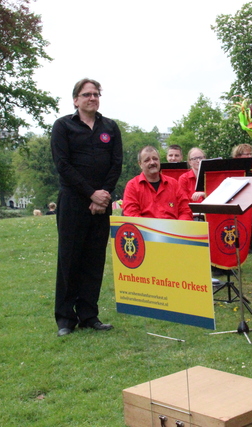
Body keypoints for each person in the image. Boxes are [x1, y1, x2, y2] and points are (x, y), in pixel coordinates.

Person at [51, 78, 123, 337]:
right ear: (76, 99)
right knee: (69, 259)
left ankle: (89, 315)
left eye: (96, 94)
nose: (92, 98)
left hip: (102, 205)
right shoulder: (63, 126)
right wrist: (91, 193)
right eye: (86, 94)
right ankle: (65, 319)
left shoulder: (110, 127)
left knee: (94, 260)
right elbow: (63, 165)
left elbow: (116, 164)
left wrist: (103, 196)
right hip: (73, 202)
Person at [122, 146, 193, 220]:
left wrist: (178, 228)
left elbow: (185, 211)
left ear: (159, 161)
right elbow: (131, 215)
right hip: (145, 230)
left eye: (155, 159)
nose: (152, 162)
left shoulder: (174, 184)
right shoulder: (132, 186)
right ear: (140, 164)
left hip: (173, 230)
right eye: (147, 160)